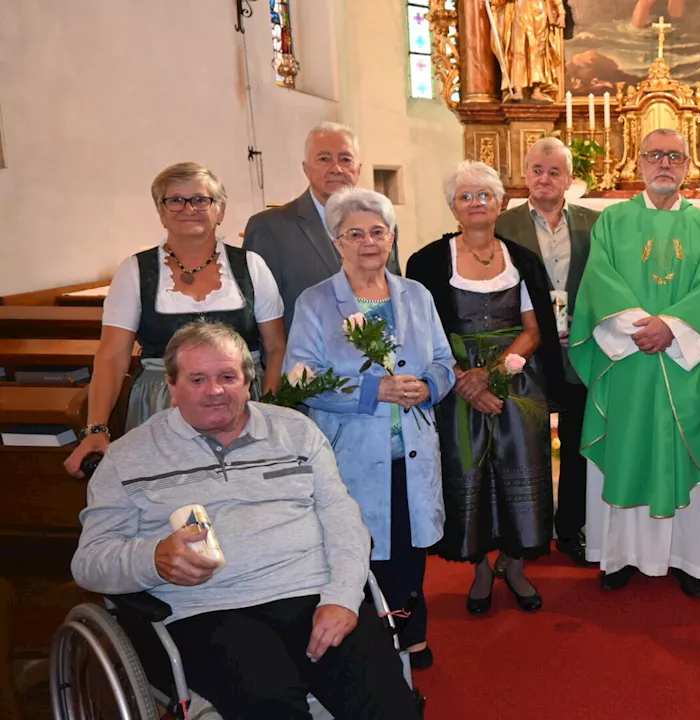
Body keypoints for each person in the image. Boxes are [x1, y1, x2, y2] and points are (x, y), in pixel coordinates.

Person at [70, 322, 420, 719]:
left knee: (389, 702)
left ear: (248, 382)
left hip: (311, 594)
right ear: (171, 385)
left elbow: (344, 521)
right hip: (210, 611)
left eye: (227, 377)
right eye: (197, 378)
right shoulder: (127, 458)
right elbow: (88, 561)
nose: (214, 390)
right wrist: (151, 559)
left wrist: (342, 598)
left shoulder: (296, 432)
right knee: (269, 702)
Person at [285, 188, 455, 671]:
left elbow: (443, 362)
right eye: (354, 233)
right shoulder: (317, 301)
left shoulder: (416, 295)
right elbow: (299, 379)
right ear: (336, 242)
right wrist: (371, 391)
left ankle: (412, 633)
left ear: (392, 238)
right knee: (358, 549)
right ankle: (371, 643)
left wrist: (428, 385)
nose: (367, 242)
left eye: (377, 232)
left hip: (413, 450)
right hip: (351, 455)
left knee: (409, 548)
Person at [568, 128, 700, 598]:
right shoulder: (613, 221)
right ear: (637, 162)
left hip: (683, 364)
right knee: (628, 448)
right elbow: (600, 279)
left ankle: (688, 559)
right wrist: (645, 327)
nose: (665, 163)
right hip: (629, 360)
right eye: (655, 155)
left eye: (674, 156)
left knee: (678, 449)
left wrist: (672, 328)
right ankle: (619, 557)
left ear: (687, 165)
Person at [405, 161, 561, 615]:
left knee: (521, 467)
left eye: (484, 196)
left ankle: (513, 564)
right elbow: (424, 332)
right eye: (466, 196)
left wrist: (494, 373)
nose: (476, 203)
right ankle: (477, 566)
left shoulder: (522, 259)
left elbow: (535, 329)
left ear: (501, 203)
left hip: (516, 378)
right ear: (453, 206)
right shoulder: (428, 261)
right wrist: (463, 380)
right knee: (467, 469)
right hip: (453, 381)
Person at [64, 162, 286, 477]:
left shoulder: (252, 266)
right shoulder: (134, 271)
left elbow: (276, 347)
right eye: (175, 200)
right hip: (162, 403)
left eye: (200, 199)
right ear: (161, 211)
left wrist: (269, 409)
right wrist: (96, 428)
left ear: (219, 210)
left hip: (241, 402)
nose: (188, 208)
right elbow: (112, 355)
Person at [495, 137, 600, 567]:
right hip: (527, 351)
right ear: (525, 174)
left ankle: (571, 528)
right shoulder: (502, 224)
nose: (545, 178)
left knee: (577, 443)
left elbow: (606, 286)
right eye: (537, 169)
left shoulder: (596, 224)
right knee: (523, 443)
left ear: (569, 179)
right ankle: (522, 532)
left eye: (555, 171)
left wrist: (589, 322)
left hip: (579, 350)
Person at [245, 122, 401, 332]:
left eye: (345, 159)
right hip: (306, 358)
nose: (336, 168)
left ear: (358, 169)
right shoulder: (270, 227)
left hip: (381, 357)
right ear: (305, 168)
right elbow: (261, 314)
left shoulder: (382, 227)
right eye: (324, 159)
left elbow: (394, 291)